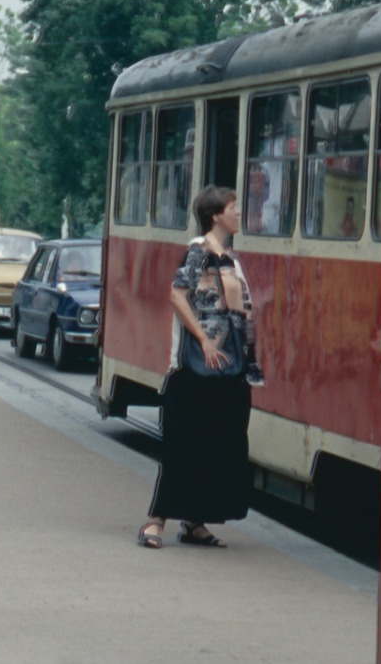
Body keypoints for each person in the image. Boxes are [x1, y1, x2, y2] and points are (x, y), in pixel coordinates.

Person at [139, 185, 256, 550]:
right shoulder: (198, 252)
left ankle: (194, 523)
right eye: (233, 208)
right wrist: (204, 341)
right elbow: (177, 294)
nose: (239, 213)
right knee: (181, 445)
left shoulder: (230, 259)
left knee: (218, 446)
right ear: (216, 215)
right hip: (193, 370)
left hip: (227, 369)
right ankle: (155, 521)